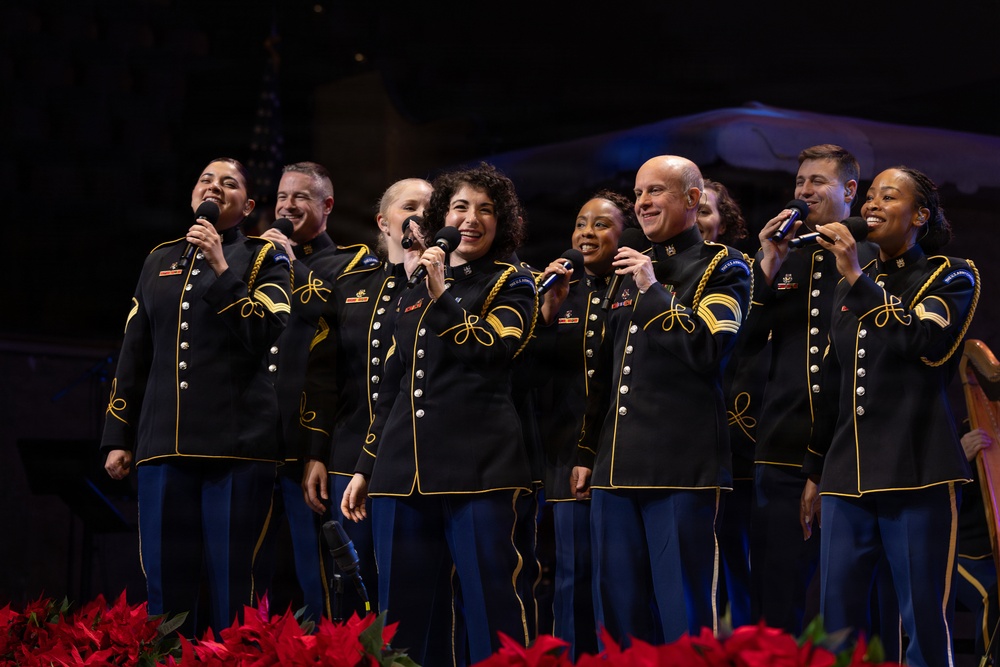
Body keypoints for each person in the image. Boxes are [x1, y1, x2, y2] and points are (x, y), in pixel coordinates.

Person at [340, 163, 537, 663]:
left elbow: (491, 350)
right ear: (442, 217)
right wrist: (366, 467)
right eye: (461, 207)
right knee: (401, 620)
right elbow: (391, 387)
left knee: (494, 609)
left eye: (487, 210)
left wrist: (441, 293)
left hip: (481, 472)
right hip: (402, 474)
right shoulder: (413, 287)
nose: (472, 219)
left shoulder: (514, 282)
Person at [101, 157, 291, 636]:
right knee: (166, 590)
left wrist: (222, 266)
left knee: (235, 589)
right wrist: (117, 435)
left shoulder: (265, 258)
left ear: (247, 206)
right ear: (193, 196)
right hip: (163, 445)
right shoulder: (158, 259)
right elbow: (134, 351)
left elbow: (266, 331)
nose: (215, 188)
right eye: (206, 180)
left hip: (237, 448)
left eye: (229, 184)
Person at [799, 165, 980, 667]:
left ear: (920, 215)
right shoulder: (854, 282)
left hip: (915, 469)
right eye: (870, 195)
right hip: (845, 474)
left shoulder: (951, 274)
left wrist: (856, 276)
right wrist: (815, 471)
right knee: (834, 620)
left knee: (921, 617)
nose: (872, 204)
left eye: (889, 196)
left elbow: (923, 344)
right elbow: (833, 384)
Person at [572, 155, 752, 646]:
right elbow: (606, 374)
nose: (643, 203)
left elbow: (708, 348)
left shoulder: (724, 265)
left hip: (681, 468)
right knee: (618, 615)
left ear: (693, 200)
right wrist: (588, 453)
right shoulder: (625, 268)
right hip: (615, 467)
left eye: (656, 191)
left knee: (683, 615)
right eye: (639, 193)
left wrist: (653, 290)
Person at [742, 144, 872, 635]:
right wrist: (767, 263)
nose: (803, 191)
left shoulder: (875, 257)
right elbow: (747, 344)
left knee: (845, 605)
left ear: (849, 190)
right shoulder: (788, 256)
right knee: (775, 596)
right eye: (799, 182)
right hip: (780, 449)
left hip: (850, 452)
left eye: (816, 181)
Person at [300, 177, 433, 621]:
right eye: (408, 206)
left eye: (430, 208)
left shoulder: (447, 285)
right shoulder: (352, 283)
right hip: (348, 452)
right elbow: (325, 377)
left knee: (411, 590)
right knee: (351, 588)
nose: (419, 216)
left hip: (418, 459)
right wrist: (316, 452)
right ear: (383, 221)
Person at [532, 189, 640, 659]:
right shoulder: (563, 290)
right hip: (563, 453)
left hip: (618, 452)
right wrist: (544, 317)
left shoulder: (637, 288)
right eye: (580, 223)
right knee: (569, 573)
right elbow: (530, 376)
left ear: (625, 234)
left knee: (616, 577)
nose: (585, 233)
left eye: (600, 224)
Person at [251, 161, 354, 622]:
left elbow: (337, 335)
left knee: (318, 579)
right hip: (253, 441)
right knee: (248, 579)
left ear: (327, 205)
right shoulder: (255, 264)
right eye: (282, 197)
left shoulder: (351, 265)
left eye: (301, 197)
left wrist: (292, 266)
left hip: (307, 443)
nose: (288, 206)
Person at [697, 179, 759, 628]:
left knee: (736, 560)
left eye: (705, 211)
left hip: (739, 434)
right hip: (683, 440)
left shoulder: (737, 271)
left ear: (723, 223)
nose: (697, 220)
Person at [956, 427, 999, 662]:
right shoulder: (961, 428)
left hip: (995, 553)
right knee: (994, 594)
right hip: (962, 551)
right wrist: (957, 458)